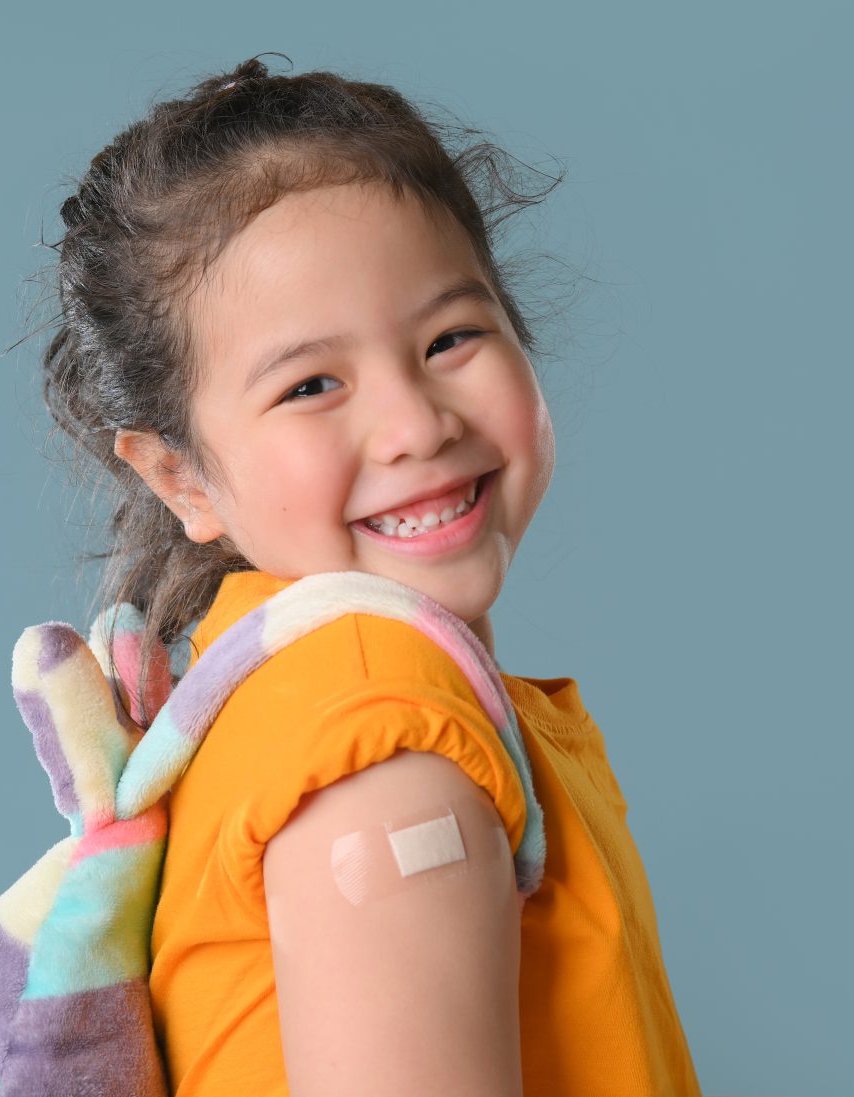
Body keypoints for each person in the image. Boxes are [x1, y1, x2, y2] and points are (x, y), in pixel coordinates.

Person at [34, 53, 703, 1095]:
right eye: (310, 384)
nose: (414, 422)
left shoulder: (274, 680)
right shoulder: (385, 743)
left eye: (449, 337)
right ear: (180, 476)